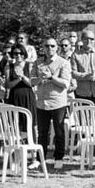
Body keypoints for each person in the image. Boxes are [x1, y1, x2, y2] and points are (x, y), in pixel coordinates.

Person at [33, 37, 71, 170]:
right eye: (47, 46)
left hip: (58, 102)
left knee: (59, 132)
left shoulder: (63, 63)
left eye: (53, 46)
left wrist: (51, 78)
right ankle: (40, 158)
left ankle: (59, 158)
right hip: (42, 102)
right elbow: (31, 81)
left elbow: (66, 83)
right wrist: (39, 79)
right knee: (42, 132)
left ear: (57, 48)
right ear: (43, 48)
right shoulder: (37, 63)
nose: (50, 49)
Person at [5, 43, 38, 163]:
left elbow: (32, 83)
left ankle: (34, 155)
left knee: (31, 125)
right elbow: (7, 85)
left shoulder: (29, 65)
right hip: (14, 98)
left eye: (20, 53)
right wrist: (18, 79)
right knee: (16, 126)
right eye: (15, 53)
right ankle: (18, 155)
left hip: (28, 97)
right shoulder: (9, 67)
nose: (18, 55)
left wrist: (23, 77)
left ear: (24, 54)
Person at [71, 30, 95, 112]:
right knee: (84, 122)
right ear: (81, 40)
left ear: (94, 40)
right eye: (86, 39)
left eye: (91, 39)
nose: (89, 41)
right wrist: (87, 76)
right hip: (82, 94)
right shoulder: (75, 55)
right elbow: (73, 73)